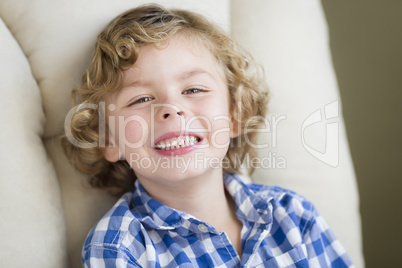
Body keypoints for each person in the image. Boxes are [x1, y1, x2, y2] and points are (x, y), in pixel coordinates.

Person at [63, 4, 353, 267]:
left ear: (235, 114)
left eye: (193, 90)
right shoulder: (119, 248)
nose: (172, 109)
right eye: (140, 99)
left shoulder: (293, 217)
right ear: (109, 140)